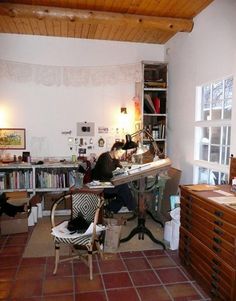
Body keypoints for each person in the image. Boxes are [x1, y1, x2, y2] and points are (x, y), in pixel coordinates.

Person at [92, 141, 136, 213]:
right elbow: (106, 173)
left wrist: (123, 171)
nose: (120, 155)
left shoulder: (115, 160)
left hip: (108, 184)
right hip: (101, 185)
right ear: (115, 149)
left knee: (124, 192)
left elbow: (120, 169)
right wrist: (119, 173)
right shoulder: (104, 157)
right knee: (123, 187)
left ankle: (108, 209)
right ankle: (133, 208)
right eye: (120, 153)